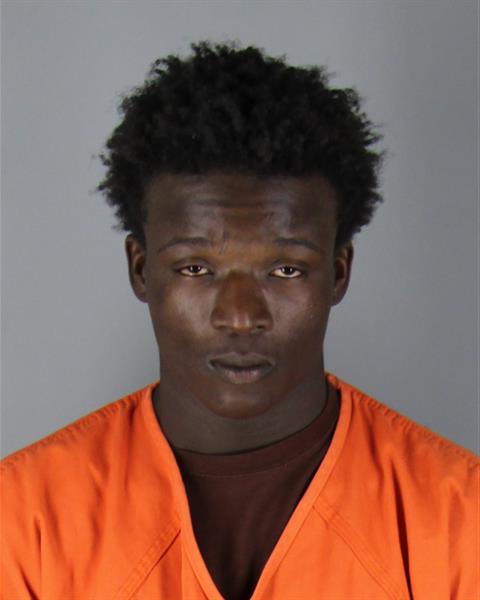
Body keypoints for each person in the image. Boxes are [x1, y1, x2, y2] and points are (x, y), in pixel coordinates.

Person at [1, 41, 477, 600]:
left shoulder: (459, 519)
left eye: (285, 269)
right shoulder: (23, 521)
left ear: (338, 273)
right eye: (196, 268)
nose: (241, 316)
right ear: (140, 269)